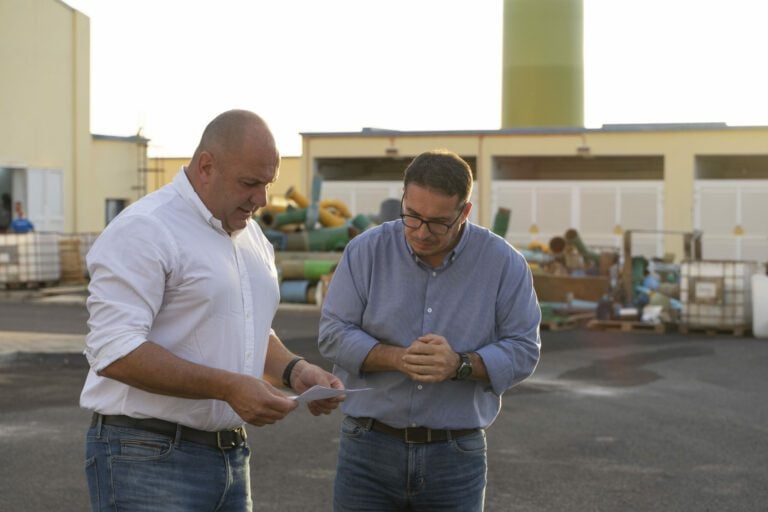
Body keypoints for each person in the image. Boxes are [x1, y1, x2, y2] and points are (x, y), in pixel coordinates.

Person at [80, 109, 344, 511]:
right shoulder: (145, 229)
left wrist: (295, 371)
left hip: (230, 460)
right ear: (206, 166)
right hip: (146, 457)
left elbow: (245, 326)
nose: (262, 199)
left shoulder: (250, 234)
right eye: (249, 183)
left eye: (268, 184)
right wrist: (230, 386)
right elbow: (115, 351)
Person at [318, 149, 542, 511]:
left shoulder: (504, 264)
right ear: (403, 197)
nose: (421, 233)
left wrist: (460, 365)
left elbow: (524, 349)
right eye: (412, 216)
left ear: (465, 212)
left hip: (455, 456)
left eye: (438, 222)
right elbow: (332, 332)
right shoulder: (365, 252)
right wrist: (396, 358)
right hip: (367, 449)